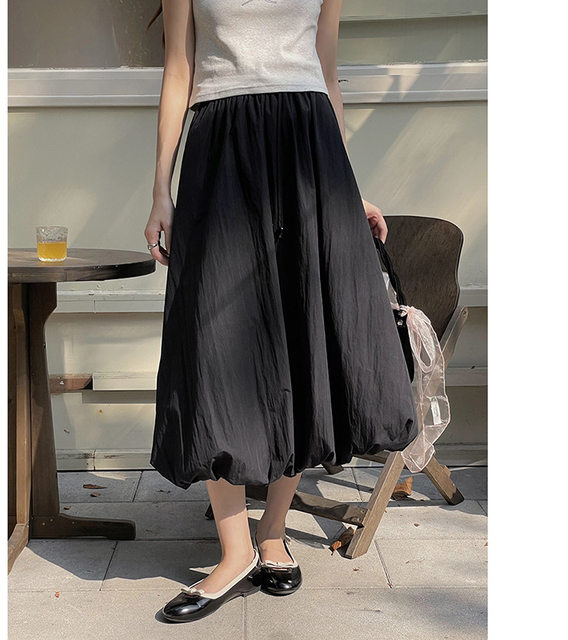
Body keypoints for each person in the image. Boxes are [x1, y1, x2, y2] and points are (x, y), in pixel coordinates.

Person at [144, 0, 418, 623]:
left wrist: (348, 186)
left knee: (301, 328)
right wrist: (160, 188)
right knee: (212, 343)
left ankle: (271, 534)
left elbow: (325, 70)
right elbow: (179, 69)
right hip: (220, 146)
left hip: (308, 147)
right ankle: (234, 550)